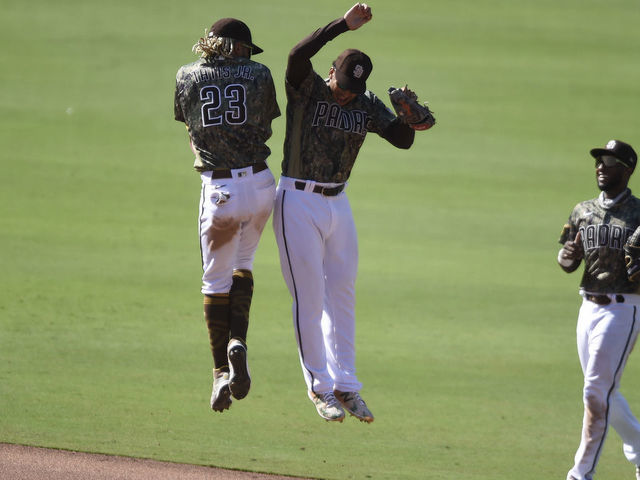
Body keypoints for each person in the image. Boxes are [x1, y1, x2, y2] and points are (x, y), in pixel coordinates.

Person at [272, 3, 430, 423]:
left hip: (338, 205)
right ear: (331, 72)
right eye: (342, 84)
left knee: (342, 294)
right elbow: (294, 56)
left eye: (352, 89)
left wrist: (407, 119)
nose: (345, 93)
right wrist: (342, 25)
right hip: (297, 200)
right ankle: (319, 388)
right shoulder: (307, 88)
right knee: (309, 297)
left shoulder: (364, 103)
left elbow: (401, 141)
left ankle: (347, 385)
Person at [174, 18, 280, 412]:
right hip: (261, 186)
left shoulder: (187, 75)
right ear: (239, 47)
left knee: (214, 283)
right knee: (244, 263)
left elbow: (190, 128)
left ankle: (220, 371)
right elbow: (265, 122)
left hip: (219, 191)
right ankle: (239, 341)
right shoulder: (260, 74)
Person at [558, 140, 640, 480]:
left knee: (595, 390)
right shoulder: (583, 210)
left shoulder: (638, 213)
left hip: (623, 307)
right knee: (603, 390)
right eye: (599, 161)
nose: (601, 166)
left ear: (627, 168)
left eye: (609, 161)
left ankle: (581, 473)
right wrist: (571, 255)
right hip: (587, 307)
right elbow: (564, 260)